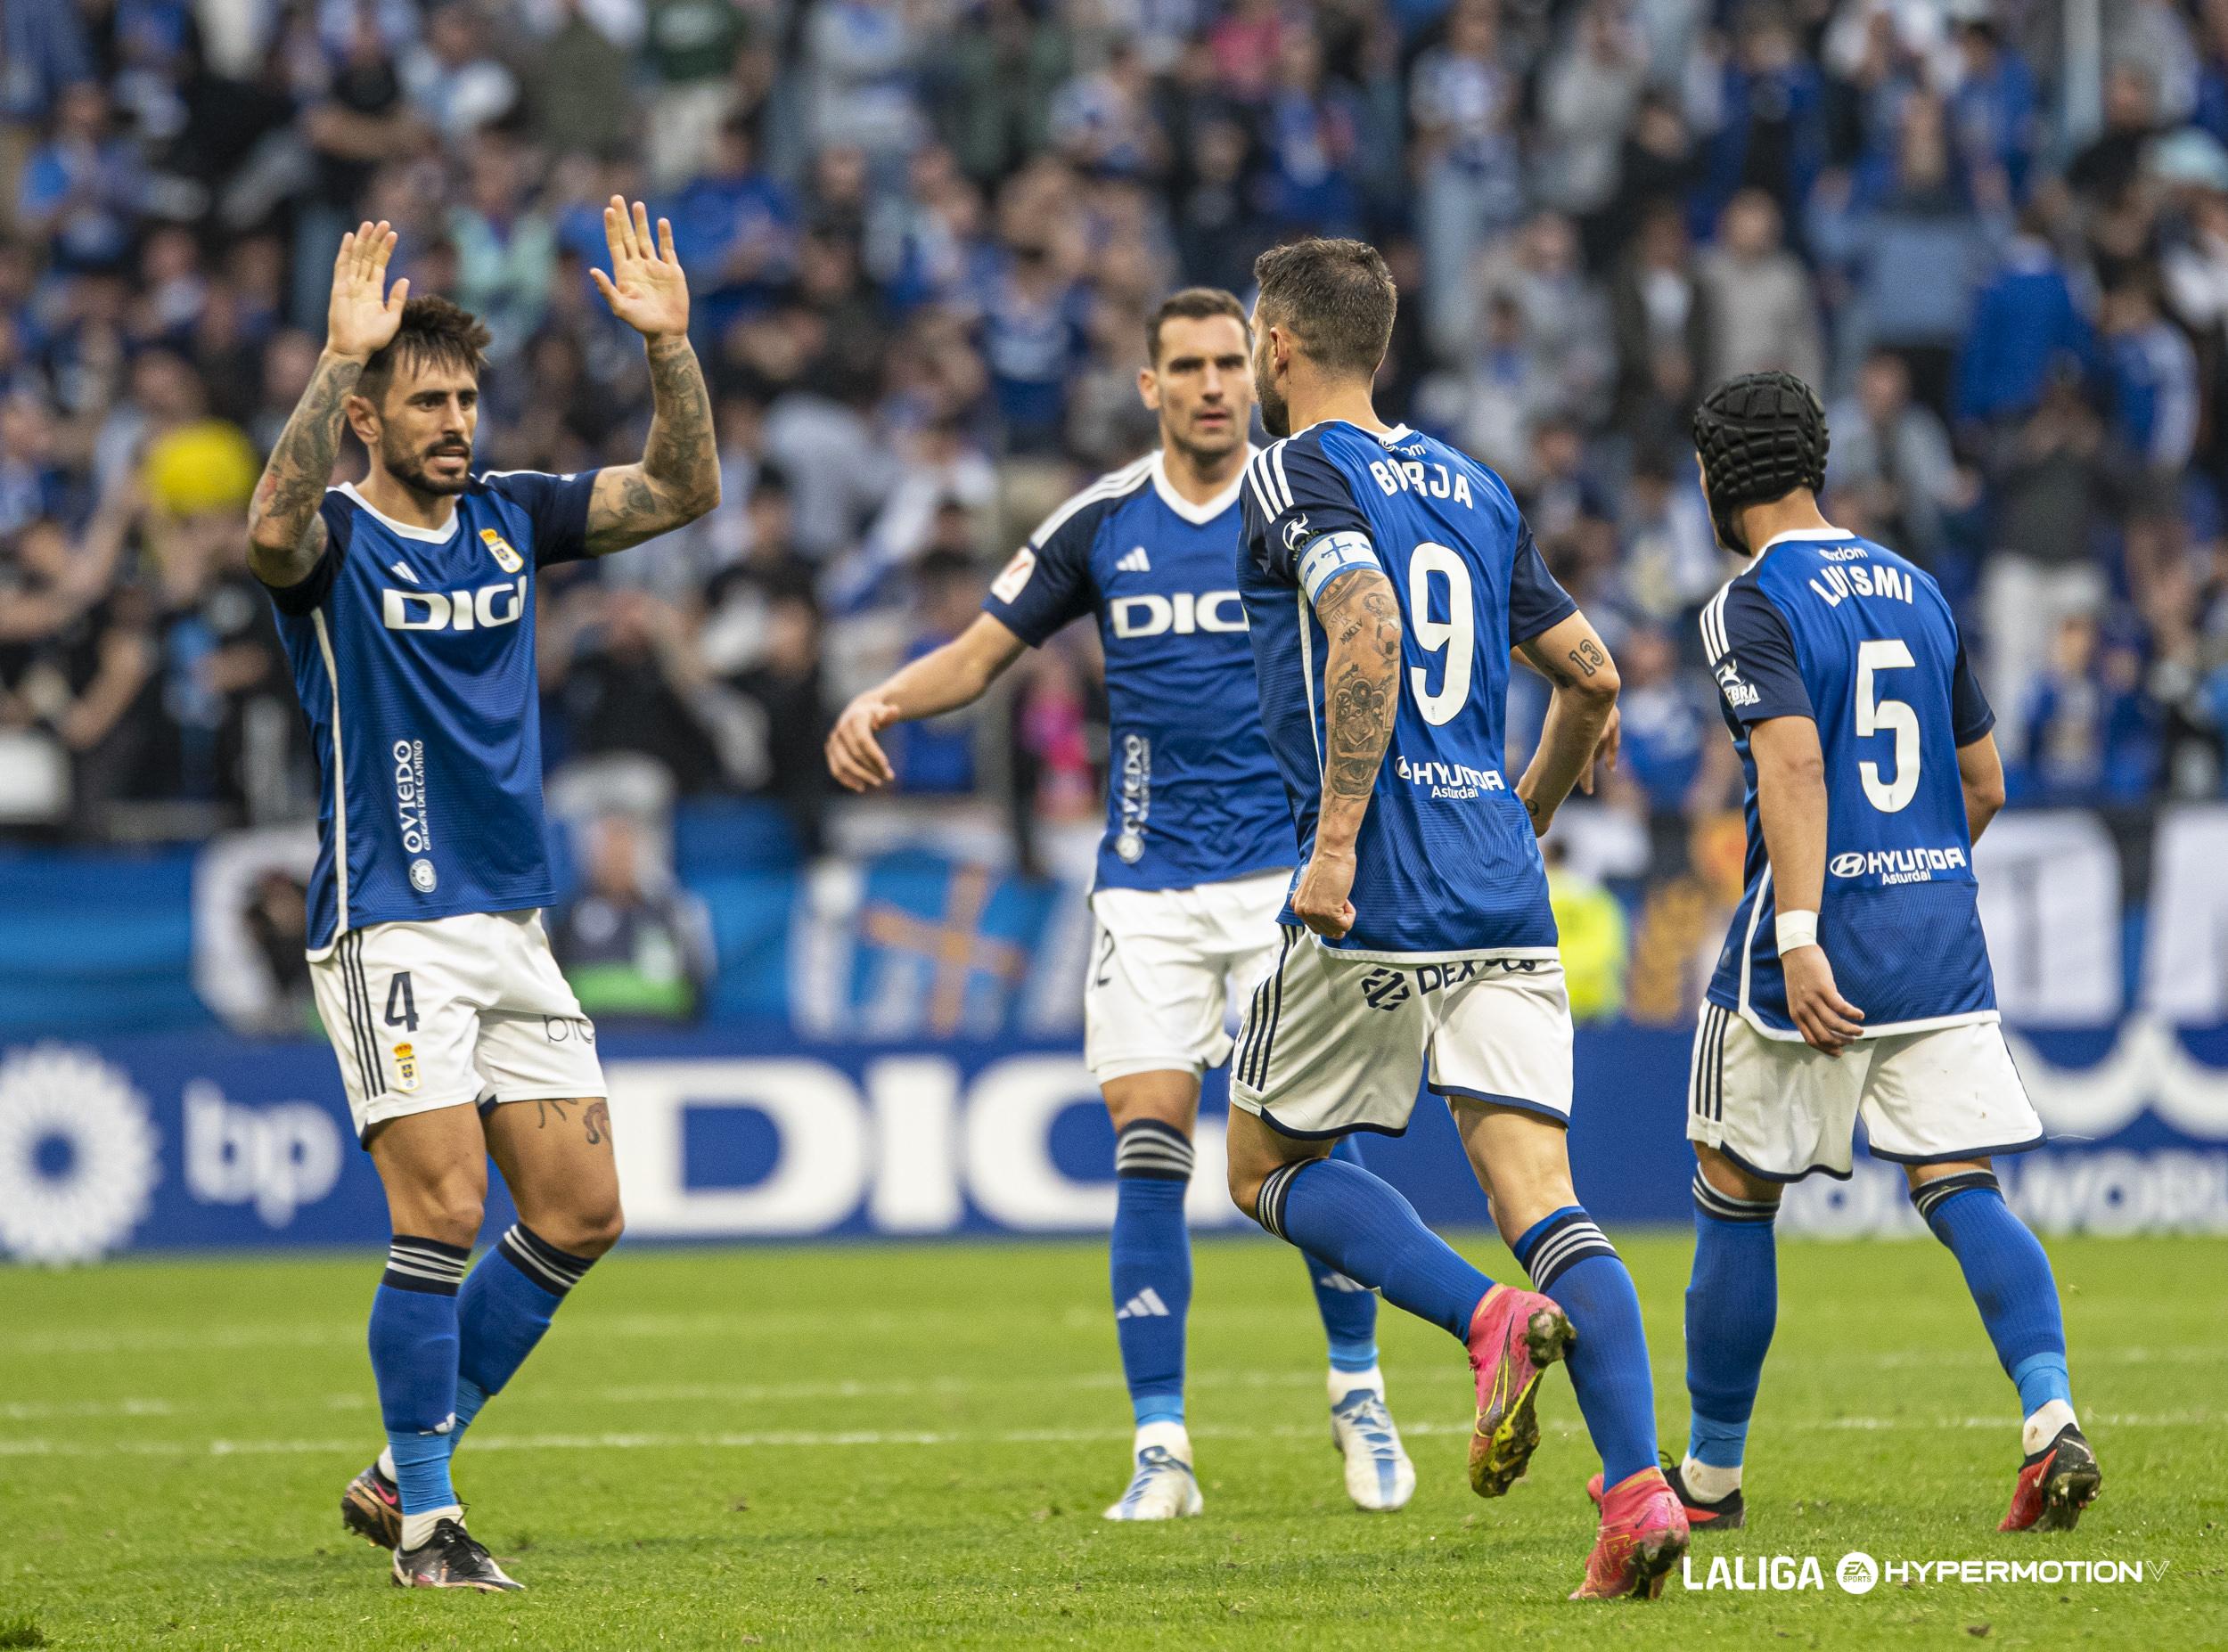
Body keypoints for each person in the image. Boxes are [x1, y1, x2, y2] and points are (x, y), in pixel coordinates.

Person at [825, 288, 1418, 1521]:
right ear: (1148, 386)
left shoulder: (1308, 501)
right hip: (1146, 883)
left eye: (1228, 362)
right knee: (1150, 1143)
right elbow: (984, 650)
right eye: (1187, 366)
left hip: (1284, 880)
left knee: (1308, 1147)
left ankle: (1359, 1390)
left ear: (1260, 372)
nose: (1212, 383)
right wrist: (882, 698)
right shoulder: (1099, 522)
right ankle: (1163, 1448)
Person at [244, 204, 719, 1591]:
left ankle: (404, 1459)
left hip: (514, 919)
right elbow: (266, 530)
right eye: (428, 401)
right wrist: (336, 363)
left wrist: (672, 349)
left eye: (466, 398)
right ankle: (433, 1525)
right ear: (372, 422)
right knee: (444, 1208)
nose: (456, 421)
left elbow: (679, 487)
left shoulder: (514, 518)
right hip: (388, 918)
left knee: (580, 1212)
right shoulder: (330, 541)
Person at [1224, 237, 1683, 1601]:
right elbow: (1591, 675)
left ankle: (1485, 1319)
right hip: (1498, 877)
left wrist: (1338, 840)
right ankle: (1641, 1492)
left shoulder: (1293, 468)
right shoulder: (1475, 484)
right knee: (1545, 1198)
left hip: (1375, 886)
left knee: (1262, 1164)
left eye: (1255, 334)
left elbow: (1363, 627)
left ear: (1280, 348)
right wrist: (1521, 810)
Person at [1670, 371, 2096, 1537]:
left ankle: (1708, 1480)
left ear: (1715, 481)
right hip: (1937, 937)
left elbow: (1794, 768)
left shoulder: (1747, 601)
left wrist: (1807, 932)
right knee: (1960, 1185)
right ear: (1816, 463)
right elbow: (1985, 783)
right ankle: (2049, 1412)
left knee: (1733, 1188)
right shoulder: (1915, 584)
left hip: (1803, 950)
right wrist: (1912, 870)